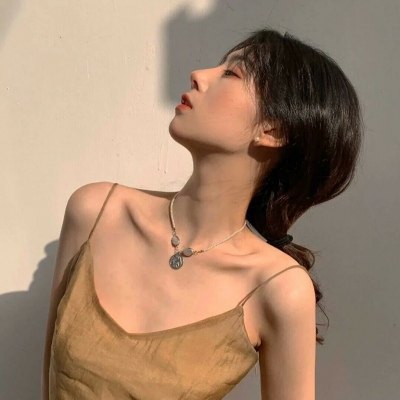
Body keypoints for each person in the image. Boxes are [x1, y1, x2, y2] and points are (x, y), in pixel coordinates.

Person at [41, 27, 363, 399]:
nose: (198, 74)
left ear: (272, 129)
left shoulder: (279, 289)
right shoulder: (97, 212)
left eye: (232, 73)